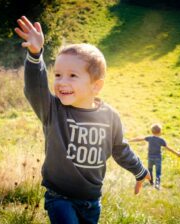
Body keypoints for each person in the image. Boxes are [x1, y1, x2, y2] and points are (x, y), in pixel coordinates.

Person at [14, 16, 150, 224]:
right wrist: (35, 55)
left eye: (72, 76)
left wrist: (140, 171)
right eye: (58, 75)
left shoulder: (109, 116)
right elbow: (35, 88)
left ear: (96, 86)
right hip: (59, 198)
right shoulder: (53, 110)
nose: (61, 82)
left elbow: (120, 149)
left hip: (92, 201)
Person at [129, 123, 180, 190]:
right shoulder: (161, 140)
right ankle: (157, 184)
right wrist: (177, 153)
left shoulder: (149, 138)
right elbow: (169, 148)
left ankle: (151, 182)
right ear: (160, 132)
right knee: (158, 172)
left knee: (150, 170)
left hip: (150, 158)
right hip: (158, 159)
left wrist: (130, 140)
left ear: (152, 131)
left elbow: (140, 139)